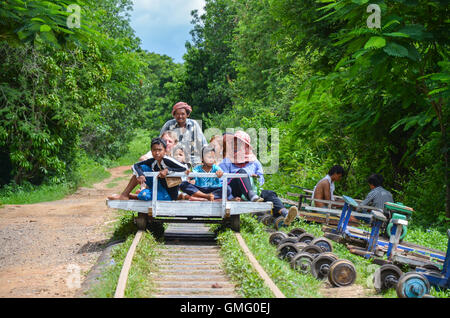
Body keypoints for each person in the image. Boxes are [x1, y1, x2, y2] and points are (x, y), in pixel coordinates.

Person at [219, 131, 297, 225]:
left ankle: (286, 214)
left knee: (269, 194)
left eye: (239, 143)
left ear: (246, 145)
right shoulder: (227, 160)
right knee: (241, 173)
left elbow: (261, 180)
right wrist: (231, 198)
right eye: (234, 144)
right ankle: (251, 196)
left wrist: (256, 178)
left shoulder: (254, 162)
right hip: (235, 192)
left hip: (254, 192)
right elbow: (221, 181)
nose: (236, 146)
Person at [108, 137, 188, 201]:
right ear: (151, 151)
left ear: (165, 151)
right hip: (158, 187)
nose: (157, 153)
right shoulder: (153, 161)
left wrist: (167, 170)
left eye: (160, 150)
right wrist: (140, 174)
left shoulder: (167, 160)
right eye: (154, 150)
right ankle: (124, 195)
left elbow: (185, 168)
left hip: (168, 194)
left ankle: (134, 196)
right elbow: (135, 166)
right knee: (142, 168)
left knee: (144, 195)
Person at [160, 102, 208, 166]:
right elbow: (160, 142)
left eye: (183, 114)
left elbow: (203, 143)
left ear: (187, 115)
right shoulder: (169, 125)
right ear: (174, 115)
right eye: (177, 114)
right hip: (172, 158)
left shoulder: (194, 124)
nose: (180, 116)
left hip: (192, 159)